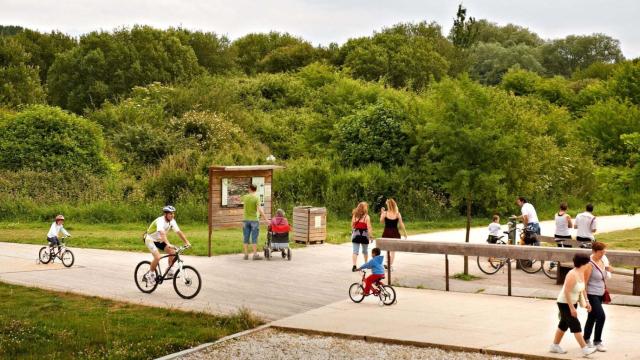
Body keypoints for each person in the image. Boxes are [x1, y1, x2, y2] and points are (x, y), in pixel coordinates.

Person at [549, 253, 596, 356]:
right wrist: (572, 308)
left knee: (563, 325)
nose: (589, 264)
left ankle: (554, 346)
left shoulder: (581, 272)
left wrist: (587, 302)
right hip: (564, 303)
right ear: (583, 263)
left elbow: (583, 289)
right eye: (588, 263)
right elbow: (566, 292)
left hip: (572, 303)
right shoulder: (572, 274)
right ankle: (585, 349)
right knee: (575, 325)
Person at [144, 206, 191, 284]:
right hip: (150, 239)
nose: (172, 215)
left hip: (159, 240)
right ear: (165, 214)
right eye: (170, 214)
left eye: (173, 214)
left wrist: (187, 242)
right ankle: (149, 274)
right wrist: (168, 243)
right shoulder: (160, 221)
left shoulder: (172, 221)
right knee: (158, 257)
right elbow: (162, 233)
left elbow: (179, 232)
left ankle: (169, 271)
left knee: (173, 252)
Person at [583, 242, 609, 352]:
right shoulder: (589, 264)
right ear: (594, 251)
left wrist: (608, 269)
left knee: (592, 317)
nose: (603, 254)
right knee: (601, 316)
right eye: (601, 252)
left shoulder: (602, 260)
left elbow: (603, 274)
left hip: (600, 293)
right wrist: (586, 300)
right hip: (592, 294)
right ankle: (597, 341)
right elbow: (584, 283)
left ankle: (585, 339)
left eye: (604, 252)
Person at [242, 184, 268, 260]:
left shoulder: (245, 197)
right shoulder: (256, 198)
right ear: (255, 190)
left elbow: (244, 207)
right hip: (254, 220)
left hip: (245, 220)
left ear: (249, 189)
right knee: (254, 237)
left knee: (245, 237)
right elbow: (260, 210)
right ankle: (255, 255)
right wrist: (266, 219)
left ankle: (246, 255)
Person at [379, 198, 407, 268]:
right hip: (395, 233)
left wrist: (382, 212)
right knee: (393, 251)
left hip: (387, 232)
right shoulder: (397, 214)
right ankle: (389, 265)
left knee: (387, 250)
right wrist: (405, 233)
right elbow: (401, 224)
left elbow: (381, 222)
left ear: (388, 205)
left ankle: (388, 264)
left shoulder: (385, 213)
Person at [351, 202, 373, 272]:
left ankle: (354, 266)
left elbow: (352, 225)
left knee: (355, 251)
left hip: (356, 234)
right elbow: (369, 227)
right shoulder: (367, 217)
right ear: (365, 208)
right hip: (364, 235)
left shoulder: (354, 215)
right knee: (365, 251)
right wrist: (371, 236)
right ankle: (366, 264)